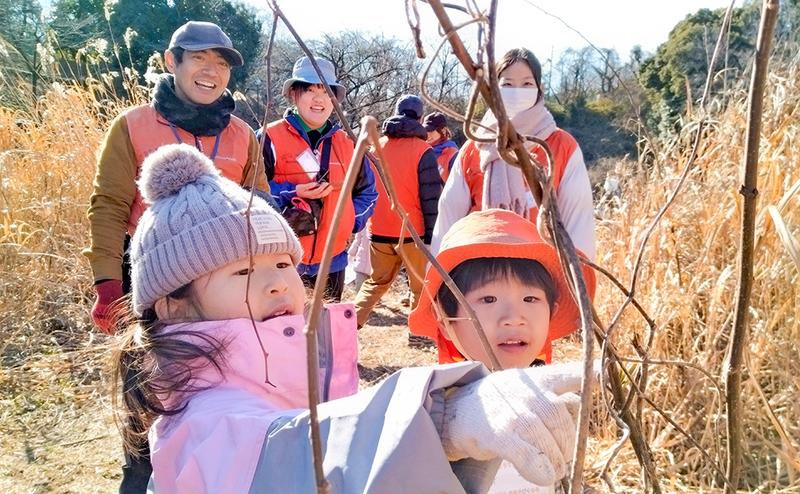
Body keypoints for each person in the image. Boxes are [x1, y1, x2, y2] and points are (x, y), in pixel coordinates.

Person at [117, 143, 590, 494]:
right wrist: (440, 421)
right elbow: (287, 453)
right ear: (173, 304)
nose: (279, 283)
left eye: (282, 262)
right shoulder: (199, 418)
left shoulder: (290, 369)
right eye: (243, 271)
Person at [83, 20, 271, 493]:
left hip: (226, 284)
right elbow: (108, 205)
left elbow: (259, 201)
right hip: (151, 281)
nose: (212, 71)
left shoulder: (242, 134)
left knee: (218, 379)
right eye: (199, 58)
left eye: (221, 63)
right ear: (172, 62)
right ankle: (139, 475)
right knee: (147, 389)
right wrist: (107, 284)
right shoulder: (133, 125)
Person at [431, 48, 596, 261]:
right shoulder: (476, 146)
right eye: (507, 84)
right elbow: (449, 216)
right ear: (494, 89)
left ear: (540, 89)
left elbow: (578, 220)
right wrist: (439, 271)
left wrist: (579, 274)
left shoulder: (562, 146)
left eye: (527, 84)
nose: (517, 92)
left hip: (541, 269)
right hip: (479, 266)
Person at [410, 208, 597, 368]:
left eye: (530, 299)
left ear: (551, 313)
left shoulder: (561, 395)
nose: (514, 319)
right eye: (488, 299)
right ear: (445, 320)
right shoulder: (432, 397)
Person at [258, 56, 377, 302]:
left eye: (326, 91)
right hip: (280, 260)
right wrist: (293, 192)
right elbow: (250, 193)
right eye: (311, 90)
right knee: (284, 323)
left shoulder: (349, 144)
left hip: (333, 261)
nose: (319, 99)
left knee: (327, 324)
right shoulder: (268, 138)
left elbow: (368, 192)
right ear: (294, 93)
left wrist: (349, 221)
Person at [354, 95, 443, 329]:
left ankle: (349, 324)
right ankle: (419, 333)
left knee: (376, 282)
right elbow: (430, 198)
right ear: (420, 118)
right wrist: (432, 235)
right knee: (420, 287)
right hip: (412, 231)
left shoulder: (374, 147)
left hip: (379, 229)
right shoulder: (423, 150)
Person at [422, 111, 459, 182]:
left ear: (443, 131)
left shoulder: (452, 153)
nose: (428, 135)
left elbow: (457, 182)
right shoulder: (421, 149)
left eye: (431, 131)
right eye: (426, 130)